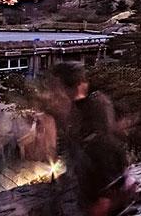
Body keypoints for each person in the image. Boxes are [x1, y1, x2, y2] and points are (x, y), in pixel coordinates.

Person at [52, 63, 129, 216]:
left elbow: (106, 148)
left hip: (103, 197)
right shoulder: (77, 108)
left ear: (74, 86)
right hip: (89, 191)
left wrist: (104, 199)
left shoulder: (95, 108)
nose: (54, 92)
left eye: (58, 87)